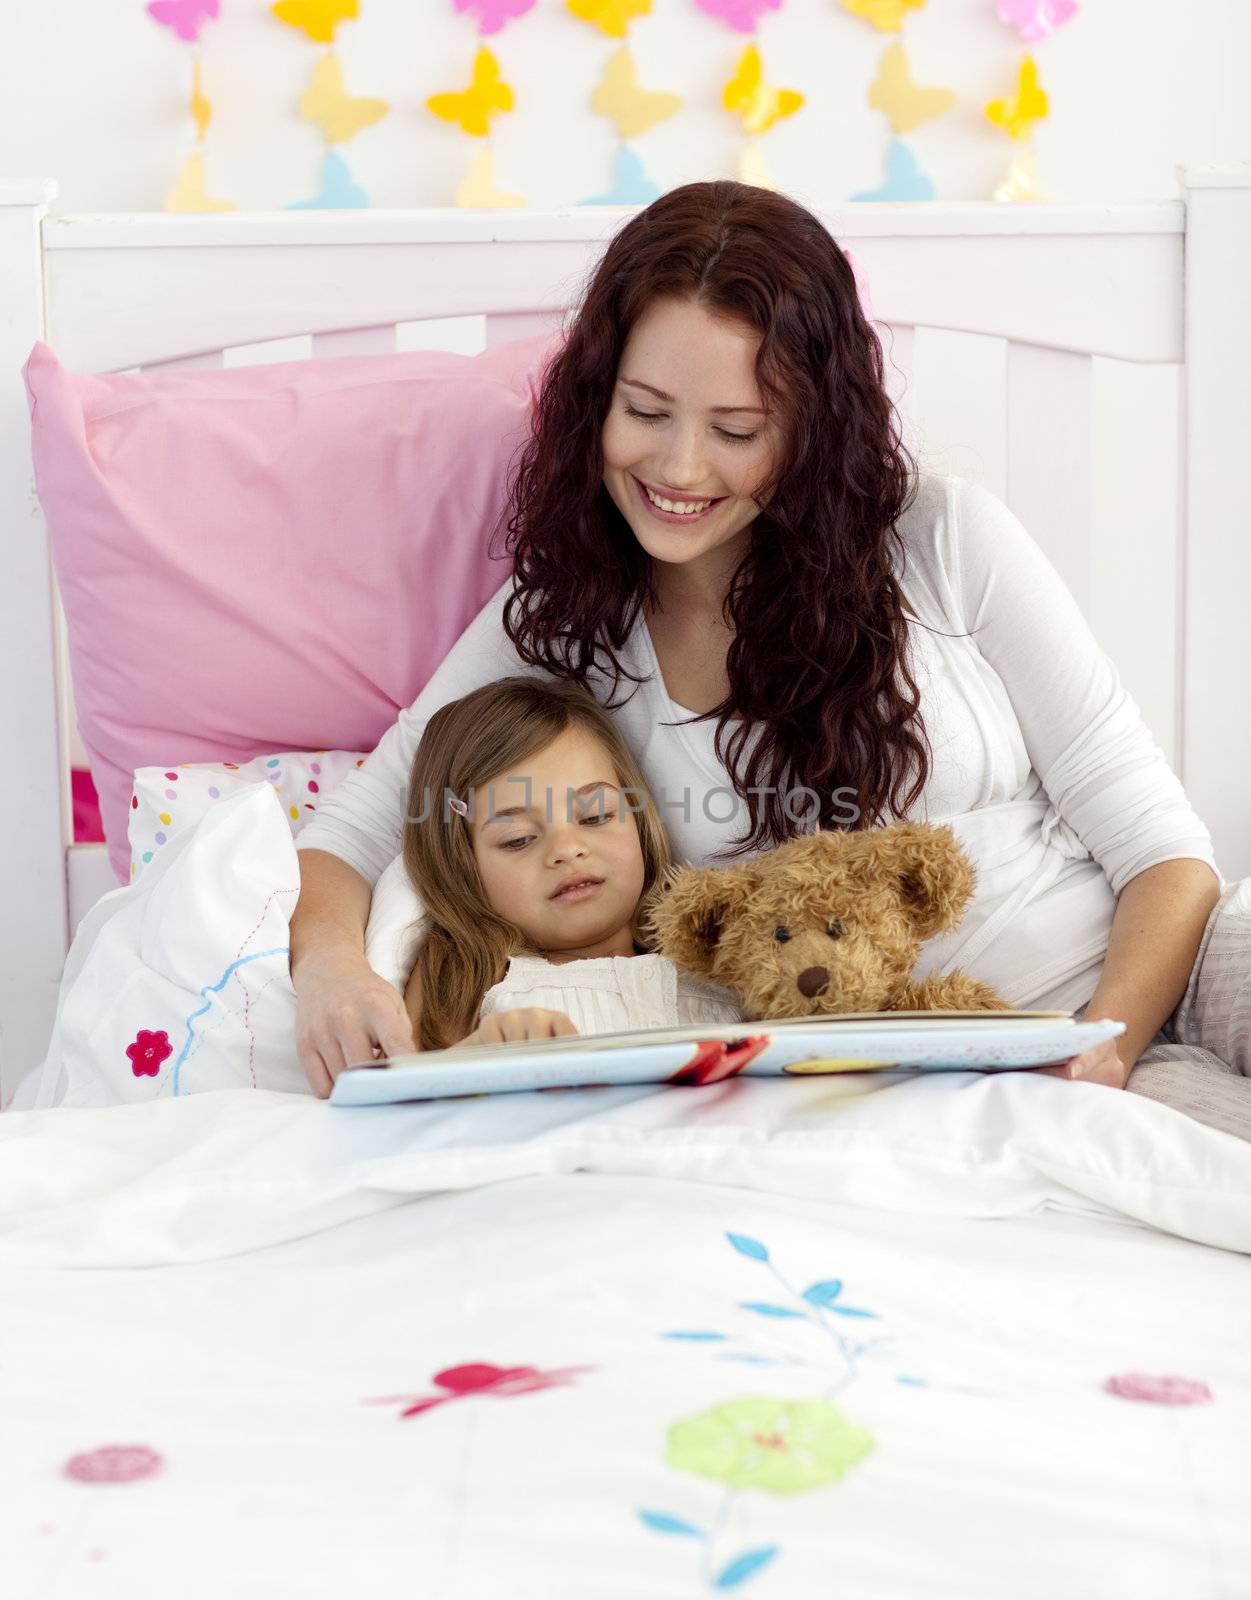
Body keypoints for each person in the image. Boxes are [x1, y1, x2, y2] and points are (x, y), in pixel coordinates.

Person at [290, 179, 1250, 1141]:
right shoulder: (563, 621)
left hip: (1149, 990)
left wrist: (1103, 1046)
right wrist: (334, 968)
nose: (678, 468)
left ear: (809, 428)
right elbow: (365, 822)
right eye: (646, 411)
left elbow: (1162, 850)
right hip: (974, 1078)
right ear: (597, 399)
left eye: (737, 431)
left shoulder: (943, 539)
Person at [396, 675, 742, 1053]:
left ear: (639, 821)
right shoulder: (464, 979)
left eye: (595, 816)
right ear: (461, 865)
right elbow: (398, 1088)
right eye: (519, 839)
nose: (568, 849)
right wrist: (479, 1056)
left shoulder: (720, 961)